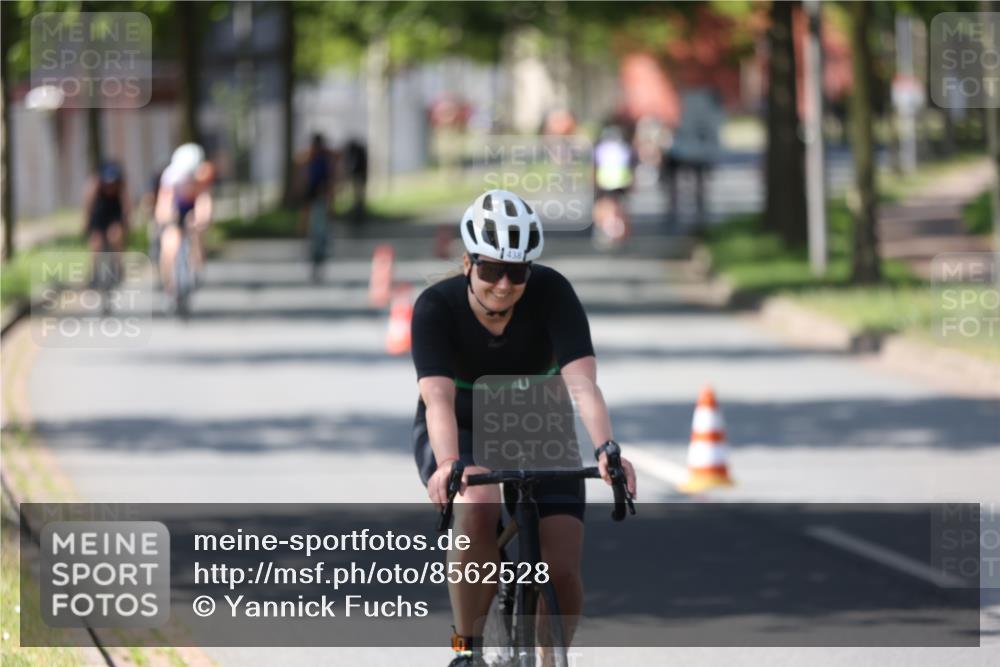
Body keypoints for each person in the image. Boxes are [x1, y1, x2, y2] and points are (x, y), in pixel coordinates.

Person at [410, 189, 638, 667]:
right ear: (469, 263)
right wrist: (451, 463)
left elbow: (583, 385)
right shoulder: (435, 306)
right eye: (492, 269)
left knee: (561, 569)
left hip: (535, 419)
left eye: (517, 272)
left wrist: (606, 448)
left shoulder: (552, 292)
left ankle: (550, 659)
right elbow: (437, 399)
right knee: (478, 504)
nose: (504, 284)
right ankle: (464, 649)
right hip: (461, 423)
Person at [154, 143, 214, 294]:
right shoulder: (170, 176)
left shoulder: (201, 174)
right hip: (176, 208)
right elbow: (164, 202)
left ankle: (197, 268)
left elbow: (204, 200)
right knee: (169, 245)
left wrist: (202, 219)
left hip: (192, 207)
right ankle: (168, 283)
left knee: (197, 236)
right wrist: (165, 219)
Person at [82, 161, 130, 285]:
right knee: (95, 243)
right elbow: (88, 204)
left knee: (116, 235)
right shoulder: (95, 186)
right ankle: (94, 272)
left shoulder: (121, 186)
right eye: (107, 184)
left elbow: (126, 206)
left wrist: (126, 224)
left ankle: (117, 265)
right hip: (100, 210)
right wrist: (87, 223)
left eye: (112, 184)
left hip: (114, 210)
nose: (110, 187)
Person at [591, 124, 636, 248]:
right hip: (621, 182)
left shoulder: (599, 148)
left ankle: (601, 229)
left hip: (604, 181)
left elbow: (594, 166)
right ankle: (622, 231)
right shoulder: (625, 147)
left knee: (602, 206)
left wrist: (592, 181)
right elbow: (631, 166)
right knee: (620, 207)